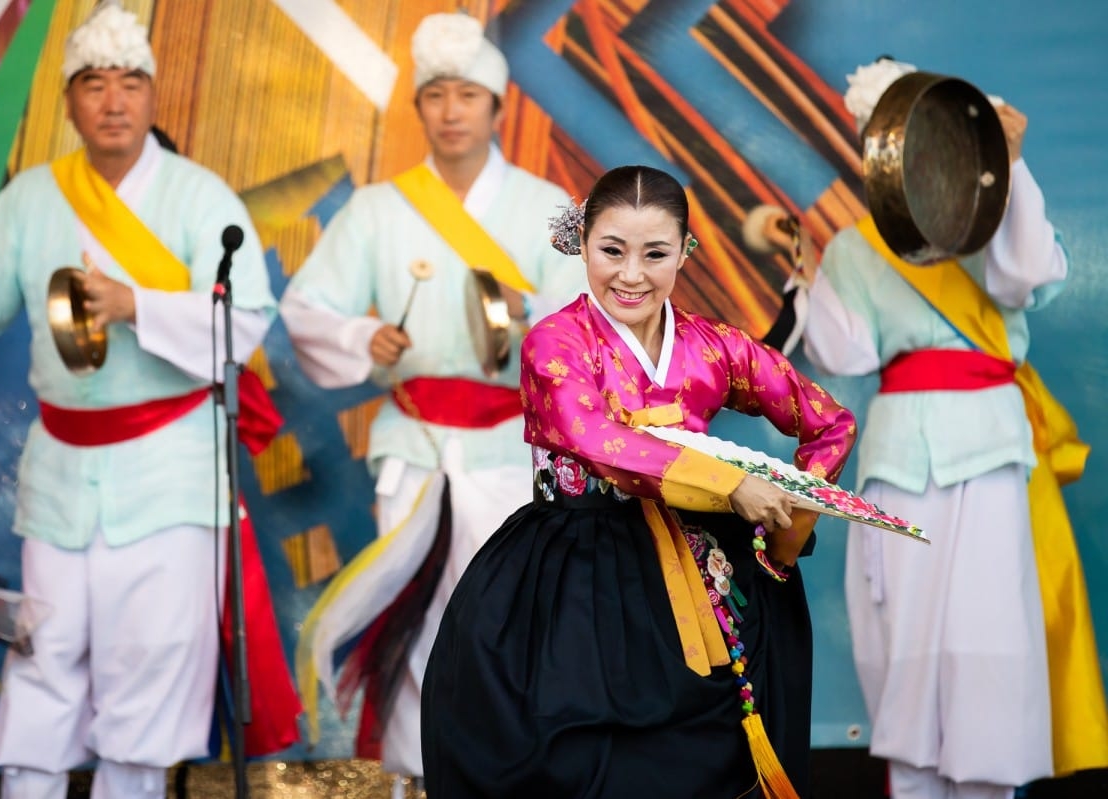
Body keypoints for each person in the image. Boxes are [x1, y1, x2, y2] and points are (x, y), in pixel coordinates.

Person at [0, 2, 279, 797]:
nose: (113, 101)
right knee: (44, 656)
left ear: (152, 98)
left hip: (170, 476)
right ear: (69, 101)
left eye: (130, 83)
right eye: (92, 83)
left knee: (149, 672)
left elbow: (243, 325)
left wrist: (136, 303)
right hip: (60, 475)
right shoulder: (30, 199)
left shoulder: (202, 199)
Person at [420, 164, 857, 799]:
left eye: (655, 253)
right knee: (568, 749)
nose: (631, 274)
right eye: (612, 251)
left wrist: (784, 527)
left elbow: (830, 422)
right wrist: (729, 483)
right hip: (576, 569)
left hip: (707, 573)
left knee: (714, 756)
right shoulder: (555, 343)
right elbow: (593, 437)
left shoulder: (715, 347)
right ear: (581, 243)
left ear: (685, 251)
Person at [758, 58, 1108, 799]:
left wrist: (1008, 163)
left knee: (989, 637)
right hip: (899, 451)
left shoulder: (986, 218)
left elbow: (1029, 273)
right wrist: (807, 266)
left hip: (989, 446)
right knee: (905, 641)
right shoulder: (856, 243)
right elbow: (846, 350)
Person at [279, 11, 586, 794]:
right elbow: (307, 309)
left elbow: (592, 328)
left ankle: (513, 778)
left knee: (515, 625)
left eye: (468, 96)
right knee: (417, 625)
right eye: (437, 95)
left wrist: (527, 331)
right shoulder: (379, 210)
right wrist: (361, 336)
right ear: (419, 108)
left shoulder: (551, 207)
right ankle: (418, 778)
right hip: (414, 447)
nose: (451, 111)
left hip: (513, 451)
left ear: (497, 108)